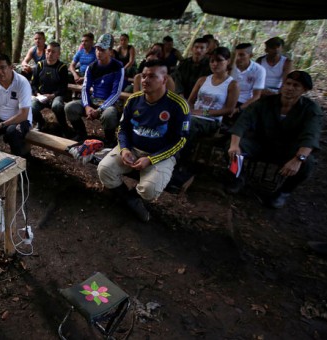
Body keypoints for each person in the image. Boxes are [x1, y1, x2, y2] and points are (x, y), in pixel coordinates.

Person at [97, 60, 190, 222]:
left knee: (149, 190)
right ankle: (130, 201)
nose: (145, 80)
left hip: (160, 156)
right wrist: (125, 149)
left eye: (152, 76)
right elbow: (123, 128)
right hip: (132, 149)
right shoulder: (134, 99)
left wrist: (151, 159)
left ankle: (129, 199)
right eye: (144, 76)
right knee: (104, 169)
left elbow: (179, 142)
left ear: (164, 79)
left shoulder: (178, 106)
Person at [226, 71, 322, 208]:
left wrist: (298, 159)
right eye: (288, 84)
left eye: (296, 85)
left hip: (287, 150)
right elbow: (243, 122)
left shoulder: (311, 109)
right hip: (261, 144)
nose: (290, 88)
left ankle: (283, 192)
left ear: (304, 90)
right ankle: (237, 177)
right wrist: (234, 145)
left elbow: (311, 135)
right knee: (231, 147)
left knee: (308, 163)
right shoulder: (265, 102)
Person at [64, 33, 125, 147]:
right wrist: (87, 106)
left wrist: (100, 109)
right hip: (94, 100)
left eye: (102, 50)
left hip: (109, 103)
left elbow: (116, 93)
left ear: (110, 51)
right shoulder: (91, 67)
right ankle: (81, 134)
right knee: (70, 107)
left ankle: (109, 140)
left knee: (109, 114)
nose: (98, 52)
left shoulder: (118, 66)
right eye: (97, 49)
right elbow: (85, 88)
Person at [187, 47, 239, 140]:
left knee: (188, 125)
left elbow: (229, 110)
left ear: (228, 61)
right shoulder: (202, 80)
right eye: (212, 61)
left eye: (219, 60)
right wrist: (190, 111)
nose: (215, 64)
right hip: (193, 116)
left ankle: (177, 153)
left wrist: (204, 112)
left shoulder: (232, 84)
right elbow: (190, 101)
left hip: (211, 121)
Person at [30, 42, 70, 134]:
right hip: (41, 96)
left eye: (53, 52)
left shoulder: (62, 67)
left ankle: (63, 126)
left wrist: (52, 95)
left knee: (57, 106)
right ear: (45, 51)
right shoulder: (39, 65)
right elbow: (33, 84)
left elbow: (64, 87)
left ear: (58, 54)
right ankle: (41, 123)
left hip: (56, 96)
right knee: (30, 107)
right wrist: (38, 94)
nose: (50, 54)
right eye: (48, 51)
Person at [230, 43, 266, 117]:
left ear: (250, 56)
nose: (237, 58)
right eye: (235, 55)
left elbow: (256, 96)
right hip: (226, 99)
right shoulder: (229, 66)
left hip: (244, 103)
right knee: (205, 111)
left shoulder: (259, 70)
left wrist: (238, 109)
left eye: (241, 55)